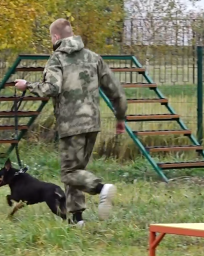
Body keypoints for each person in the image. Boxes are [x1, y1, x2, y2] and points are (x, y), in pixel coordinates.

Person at [14, 18, 127, 226]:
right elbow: (116, 90)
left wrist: (27, 85)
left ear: (56, 37)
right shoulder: (94, 57)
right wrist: (120, 117)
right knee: (78, 170)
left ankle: (102, 189)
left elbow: (51, 88)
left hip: (71, 124)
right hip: (93, 123)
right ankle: (76, 220)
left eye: (51, 37)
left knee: (69, 173)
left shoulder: (57, 59)